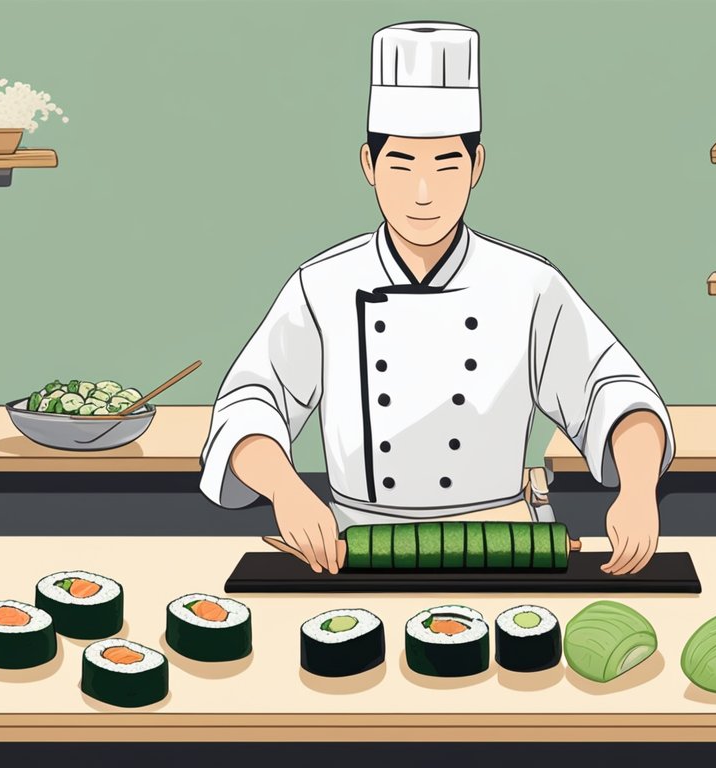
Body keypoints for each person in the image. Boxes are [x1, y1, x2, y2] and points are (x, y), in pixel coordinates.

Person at [201, 21, 674, 576]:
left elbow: (614, 391)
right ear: (368, 167)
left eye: (445, 166)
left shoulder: (528, 284)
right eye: (401, 166)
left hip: (504, 551)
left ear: (476, 167)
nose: (423, 195)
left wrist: (639, 490)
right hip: (358, 554)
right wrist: (286, 488)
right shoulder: (322, 286)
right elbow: (249, 404)